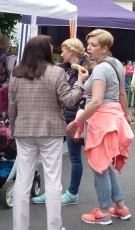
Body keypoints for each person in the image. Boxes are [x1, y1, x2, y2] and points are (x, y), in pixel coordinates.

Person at [9, 35, 86, 230]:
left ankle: (19, 227)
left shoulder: (16, 74)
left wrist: (13, 128)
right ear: (45, 51)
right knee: (53, 180)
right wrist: (80, 83)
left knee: (22, 182)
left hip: (24, 130)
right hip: (50, 130)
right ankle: (54, 226)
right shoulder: (56, 73)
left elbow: (12, 106)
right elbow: (68, 101)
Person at [69, 29, 134, 225]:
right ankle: (120, 207)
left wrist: (77, 122)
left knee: (99, 167)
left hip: (100, 122)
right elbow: (122, 94)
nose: (88, 48)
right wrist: (126, 115)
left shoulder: (100, 69)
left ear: (104, 48)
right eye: (88, 44)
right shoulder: (116, 65)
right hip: (114, 118)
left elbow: (96, 101)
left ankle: (104, 211)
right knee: (105, 166)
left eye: (94, 45)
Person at [31, 38, 89, 206]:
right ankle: (52, 193)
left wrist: (79, 121)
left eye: (63, 50)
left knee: (74, 157)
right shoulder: (63, 68)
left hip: (74, 119)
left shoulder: (86, 70)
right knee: (53, 157)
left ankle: (72, 193)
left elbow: (82, 96)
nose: (61, 53)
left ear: (71, 52)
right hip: (60, 118)